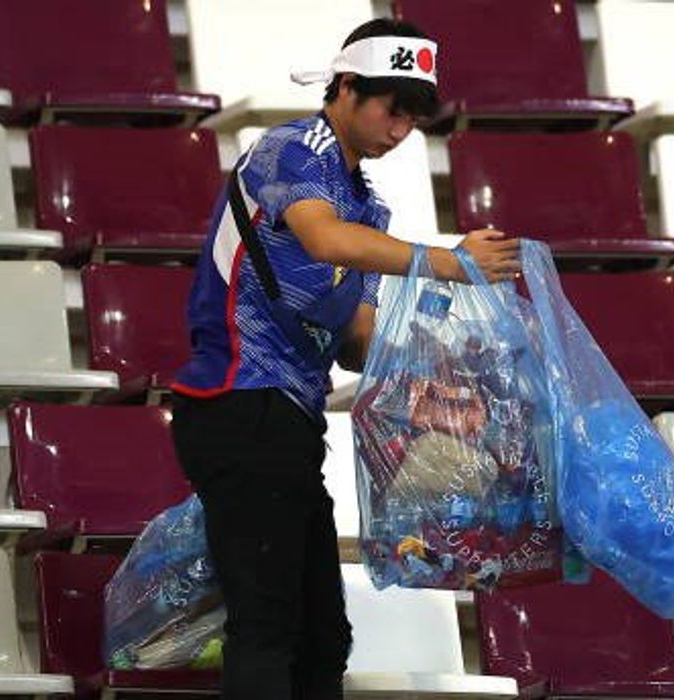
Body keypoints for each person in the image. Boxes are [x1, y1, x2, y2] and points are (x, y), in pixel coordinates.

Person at [169, 17, 521, 700]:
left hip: (288, 419)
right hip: (239, 402)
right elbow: (324, 241)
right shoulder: (288, 148)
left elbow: (353, 334)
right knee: (268, 626)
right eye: (393, 109)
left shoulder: (370, 206)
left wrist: (442, 371)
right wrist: (447, 264)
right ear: (347, 86)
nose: (400, 130)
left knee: (322, 638)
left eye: (414, 119)